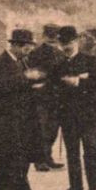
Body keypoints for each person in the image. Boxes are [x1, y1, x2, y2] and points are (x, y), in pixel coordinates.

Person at [0, 30, 46, 190]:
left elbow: (22, 84)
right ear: (16, 46)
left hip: (23, 116)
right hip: (5, 118)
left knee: (23, 153)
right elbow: (2, 87)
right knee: (6, 156)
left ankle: (22, 188)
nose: (28, 52)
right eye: (26, 48)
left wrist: (35, 83)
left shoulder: (22, 62)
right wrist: (27, 78)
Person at [56, 27, 96, 190]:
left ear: (76, 41)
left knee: (91, 149)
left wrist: (77, 82)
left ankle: (94, 186)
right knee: (72, 151)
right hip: (68, 115)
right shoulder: (59, 64)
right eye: (63, 43)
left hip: (88, 113)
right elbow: (55, 88)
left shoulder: (90, 60)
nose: (66, 46)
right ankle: (75, 186)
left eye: (69, 42)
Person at [25, 23, 65, 171]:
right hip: (41, 95)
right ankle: (39, 159)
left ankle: (48, 157)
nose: (53, 38)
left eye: (55, 35)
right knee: (42, 128)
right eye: (51, 35)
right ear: (46, 35)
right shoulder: (37, 52)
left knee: (53, 128)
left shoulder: (61, 53)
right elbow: (32, 73)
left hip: (56, 96)